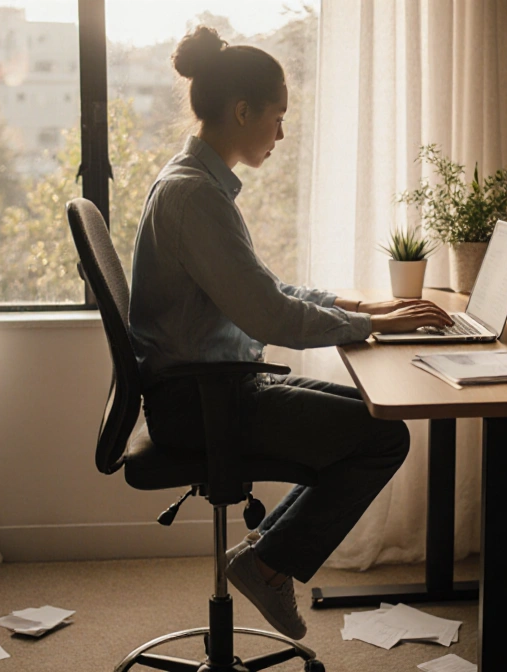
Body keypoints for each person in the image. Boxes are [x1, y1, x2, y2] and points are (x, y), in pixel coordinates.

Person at [127, 26, 453, 641]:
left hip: (210, 392)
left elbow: (266, 291)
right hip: (204, 404)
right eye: (276, 117)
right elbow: (271, 317)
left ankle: (266, 558)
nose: (281, 133)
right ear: (242, 110)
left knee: (379, 421)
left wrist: (362, 303)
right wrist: (373, 325)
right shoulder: (196, 197)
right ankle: (270, 566)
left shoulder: (197, 183)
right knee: (382, 440)